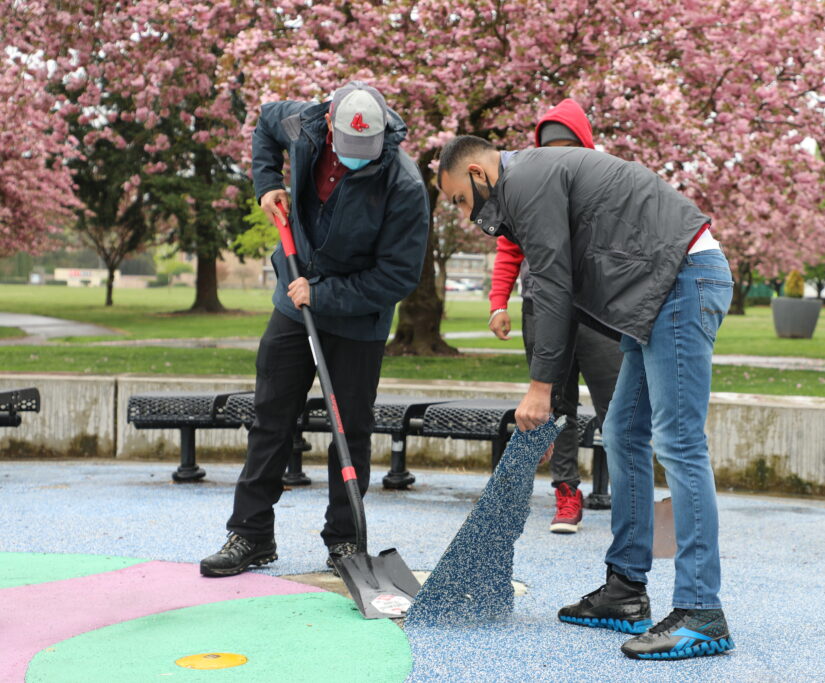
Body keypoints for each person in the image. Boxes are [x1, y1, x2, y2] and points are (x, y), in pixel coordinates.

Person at [437, 136, 734, 660]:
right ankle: (625, 590)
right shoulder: (527, 183)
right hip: (657, 288)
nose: (465, 216)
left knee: (680, 442)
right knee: (622, 431)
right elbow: (561, 288)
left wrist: (541, 386)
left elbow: (551, 281)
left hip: (682, 280)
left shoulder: (526, 181)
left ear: (480, 173)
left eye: (461, 199)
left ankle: (701, 611)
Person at [200, 82, 430, 578]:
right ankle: (251, 533)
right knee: (270, 415)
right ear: (329, 125)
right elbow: (263, 121)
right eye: (350, 151)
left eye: (367, 154)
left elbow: (398, 276)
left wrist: (325, 295)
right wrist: (267, 184)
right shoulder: (301, 122)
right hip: (293, 292)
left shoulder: (404, 185)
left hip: (358, 320)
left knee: (351, 427)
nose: (358, 161)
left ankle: (345, 541)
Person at [487, 99, 622, 535]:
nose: (558, 155)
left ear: (585, 146)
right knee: (555, 405)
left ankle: (632, 495)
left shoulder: (603, 180)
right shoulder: (524, 187)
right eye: (550, 147)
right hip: (544, 308)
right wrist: (498, 302)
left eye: (568, 145)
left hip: (599, 311)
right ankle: (567, 493)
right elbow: (509, 247)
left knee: (617, 405)